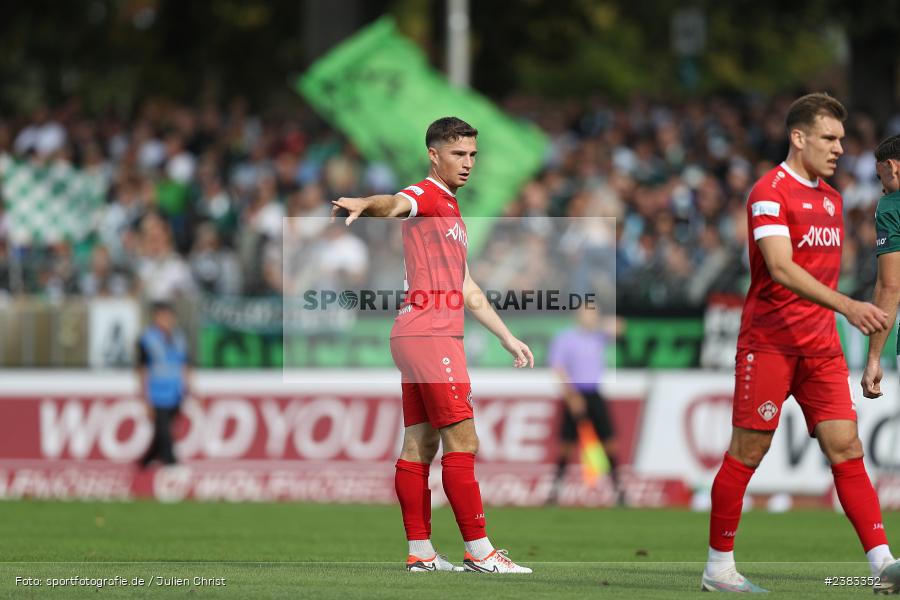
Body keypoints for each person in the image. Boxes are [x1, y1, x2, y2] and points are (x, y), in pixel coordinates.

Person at [701, 93, 900, 593]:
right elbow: (781, 268)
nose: (839, 148)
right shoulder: (769, 192)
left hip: (821, 349)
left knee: (846, 446)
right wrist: (848, 305)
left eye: (841, 139)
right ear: (799, 137)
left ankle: (883, 563)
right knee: (748, 451)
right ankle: (718, 567)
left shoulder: (833, 199)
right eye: (829, 138)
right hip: (768, 343)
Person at [331, 117, 534, 574]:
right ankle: (480, 551)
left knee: (418, 445)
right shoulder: (426, 195)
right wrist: (368, 203)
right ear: (434, 155)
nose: (468, 163)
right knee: (463, 439)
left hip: (413, 333)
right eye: (458, 154)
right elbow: (397, 203)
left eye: (473, 155)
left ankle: (421, 552)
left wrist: (505, 336)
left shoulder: (452, 212)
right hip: (431, 334)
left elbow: (464, 285)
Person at [546, 304, 624, 506]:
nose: (590, 317)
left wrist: (600, 322)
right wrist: (571, 396)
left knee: (609, 443)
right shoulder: (566, 338)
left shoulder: (598, 336)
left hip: (594, 394)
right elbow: (558, 368)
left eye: (593, 314)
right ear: (578, 315)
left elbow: (620, 327)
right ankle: (554, 492)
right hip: (575, 393)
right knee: (566, 445)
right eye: (587, 313)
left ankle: (620, 492)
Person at [862, 135, 900, 396]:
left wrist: (873, 358)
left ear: (891, 166)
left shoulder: (890, 206)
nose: (882, 188)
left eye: (880, 178)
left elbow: (890, 286)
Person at [137, 302, 191, 468]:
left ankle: (145, 462)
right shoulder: (147, 339)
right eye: (163, 316)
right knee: (164, 431)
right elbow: (142, 370)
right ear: (156, 317)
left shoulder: (179, 337)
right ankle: (170, 463)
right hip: (157, 394)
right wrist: (145, 398)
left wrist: (190, 388)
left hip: (175, 392)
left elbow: (184, 365)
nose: (167, 320)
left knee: (162, 432)